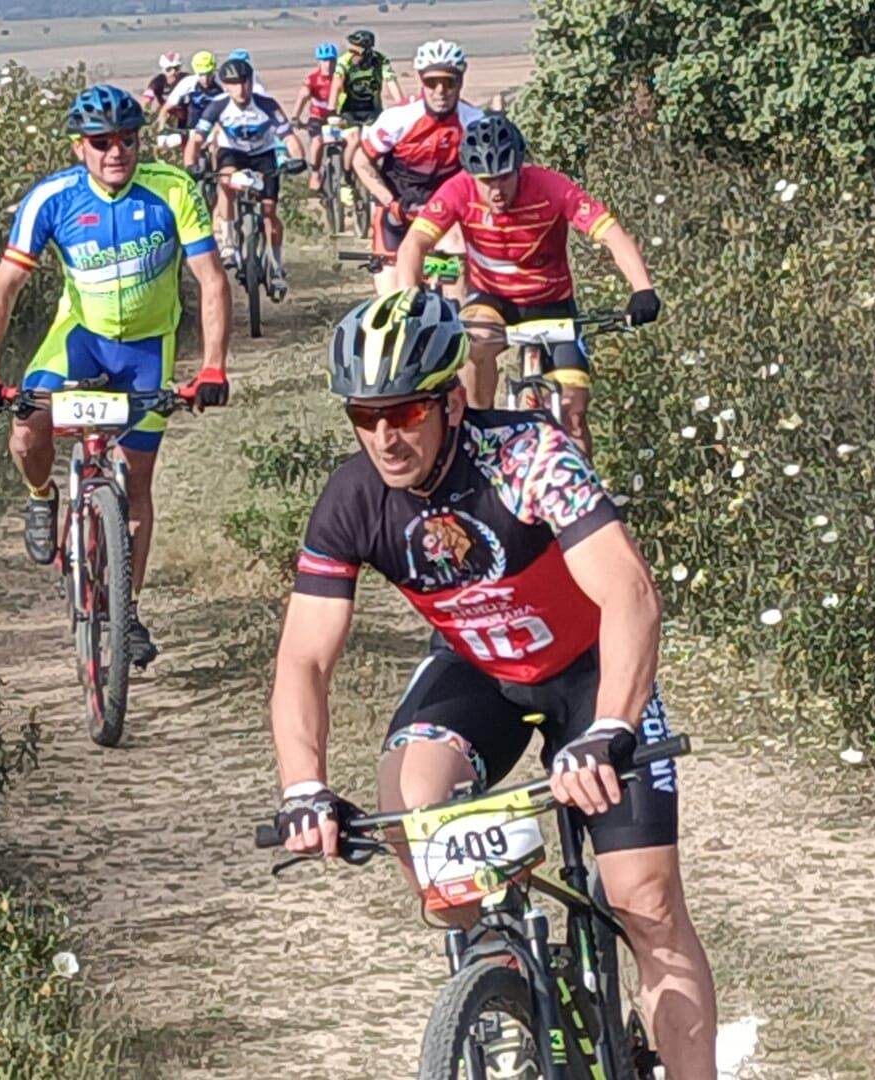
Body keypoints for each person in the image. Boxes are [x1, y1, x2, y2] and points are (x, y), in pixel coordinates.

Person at [267, 289, 718, 1080]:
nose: (383, 436)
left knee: (645, 905)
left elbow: (630, 595)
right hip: (482, 671)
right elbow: (304, 657)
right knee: (408, 799)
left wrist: (610, 728)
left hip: (590, 673)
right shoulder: (351, 499)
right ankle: (497, 970)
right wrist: (303, 786)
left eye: (403, 412)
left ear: (448, 400)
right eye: (363, 417)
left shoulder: (526, 458)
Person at [0, 85, 232, 669]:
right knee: (27, 427)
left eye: (128, 140)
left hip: (146, 349)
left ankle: (127, 610)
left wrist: (213, 365)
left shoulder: (172, 189)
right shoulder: (51, 199)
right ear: (79, 147)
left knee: (137, 484)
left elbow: (211, 279)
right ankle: (42, 496)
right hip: (79, 341)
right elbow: (5, 287)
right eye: (101, 142)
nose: (117, 152)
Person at [397, 114, 660, 452]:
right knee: (475, 346)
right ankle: (480, 434)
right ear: (470, 175)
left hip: (552, 304)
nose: (496, 190)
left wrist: (642, 288)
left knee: (574, 415)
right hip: (492, 299)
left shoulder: (550, 186)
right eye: (485, 180)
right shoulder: (458, 190)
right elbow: (414, 243)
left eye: (504, 177)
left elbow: (610, 233)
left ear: (519, 167)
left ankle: (584, 494)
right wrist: (408, 299)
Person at [350, 39, 481, 294]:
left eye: (449, 81)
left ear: (461, 82)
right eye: (432, 82)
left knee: (456, 283)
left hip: (443, 214)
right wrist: (391, 203)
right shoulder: (399, 118)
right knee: (393, 304)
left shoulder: (473, 122)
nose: (440, 90)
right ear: (421, 82)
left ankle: (455, 326)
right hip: (396, 209)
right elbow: (361, 161)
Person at [183, 58, 308, 297]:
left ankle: (276, 267)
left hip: (263, 155)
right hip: (233, 154)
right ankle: (229, 244)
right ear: (226, 87)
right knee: (226, 181)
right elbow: (197, 139)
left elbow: (289, 137)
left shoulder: (267, 105)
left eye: (244, 82)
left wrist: (298, 158)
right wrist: (191, 164)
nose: (241, 89)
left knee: (269, 210)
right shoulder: (217, 106)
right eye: (234, 84)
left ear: (251, 82)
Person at [328, 28, 404, 127]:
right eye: (350, 50)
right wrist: (331, 108)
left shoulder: (380, 60)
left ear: (366, 51)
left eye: (355, 52)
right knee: (352, 139)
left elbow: (391, 81)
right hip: (348, 110)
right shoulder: (344, 61)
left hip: (372, 110)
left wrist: (402, 106)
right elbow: (337, 84)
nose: (351, 54)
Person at [292, 43, 339, 192]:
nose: (328, 65)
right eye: (324, 61)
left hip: (337, 118)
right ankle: (315, 173)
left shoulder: (340, 78)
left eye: (331, 61)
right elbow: (303, 96)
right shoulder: (312, 79)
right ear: (318, 62)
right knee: (317, 140)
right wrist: (295, 117)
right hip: (317, 118)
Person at [162, 51, 226, 132]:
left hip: (219, 128)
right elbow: (166, 107)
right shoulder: (188, 82)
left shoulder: (223, 83)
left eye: (208, 73)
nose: (205, 79)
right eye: (201, 74)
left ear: (213, 70)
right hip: (194, 128)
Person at [141, 52, 183, 119]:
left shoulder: (186, 79)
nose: (173, 72)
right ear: (163, 69)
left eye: (176, 68)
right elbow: (147, 98)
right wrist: (146, 110)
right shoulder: (158, 81)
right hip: (165, 114)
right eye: (169, 69)